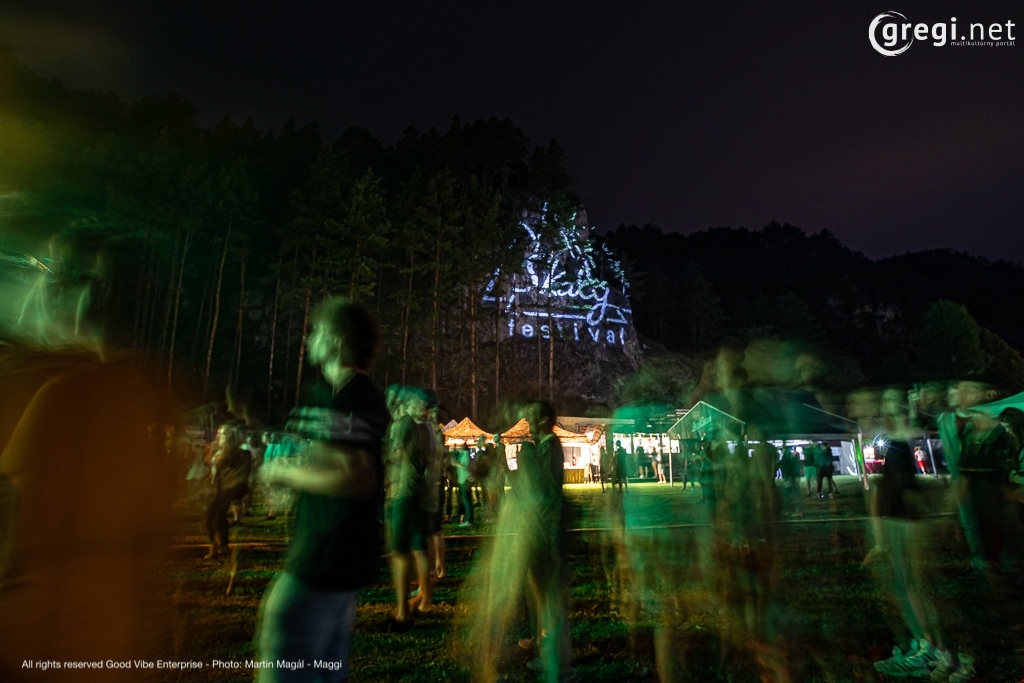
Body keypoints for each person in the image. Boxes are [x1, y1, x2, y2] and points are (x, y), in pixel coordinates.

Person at [256, 297, 389, 682]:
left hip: (329, 552)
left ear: (337, 338)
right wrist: (294, 475)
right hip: (329, 548)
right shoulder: (327, 392)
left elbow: (358, 477)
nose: (309, 339)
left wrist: (284, 471)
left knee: (286, 644)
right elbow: (328, 462)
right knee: (324, 665)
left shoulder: (356, 395)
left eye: (316, 331)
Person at [384, 387, 434, 622]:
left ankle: (402, 612)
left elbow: (393, 454)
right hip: (412, 490)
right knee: (415, 545)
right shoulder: (418, 426)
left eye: (391, 398)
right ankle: (423, 599)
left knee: (399, 551)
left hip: (403, 490)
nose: (388, 402)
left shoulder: (404, 423)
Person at [205, 422, 251, 558]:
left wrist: (216, 457)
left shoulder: (238, 453)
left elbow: (228, 468)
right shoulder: (222, 452)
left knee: (213, 518)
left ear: (229, 436)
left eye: (222, 434)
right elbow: (212, 468)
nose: (218, 436)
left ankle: (217, 547)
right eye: (218, 434)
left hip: (228, 490)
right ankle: (220, 546)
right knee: (217, 517)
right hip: (222, 489)